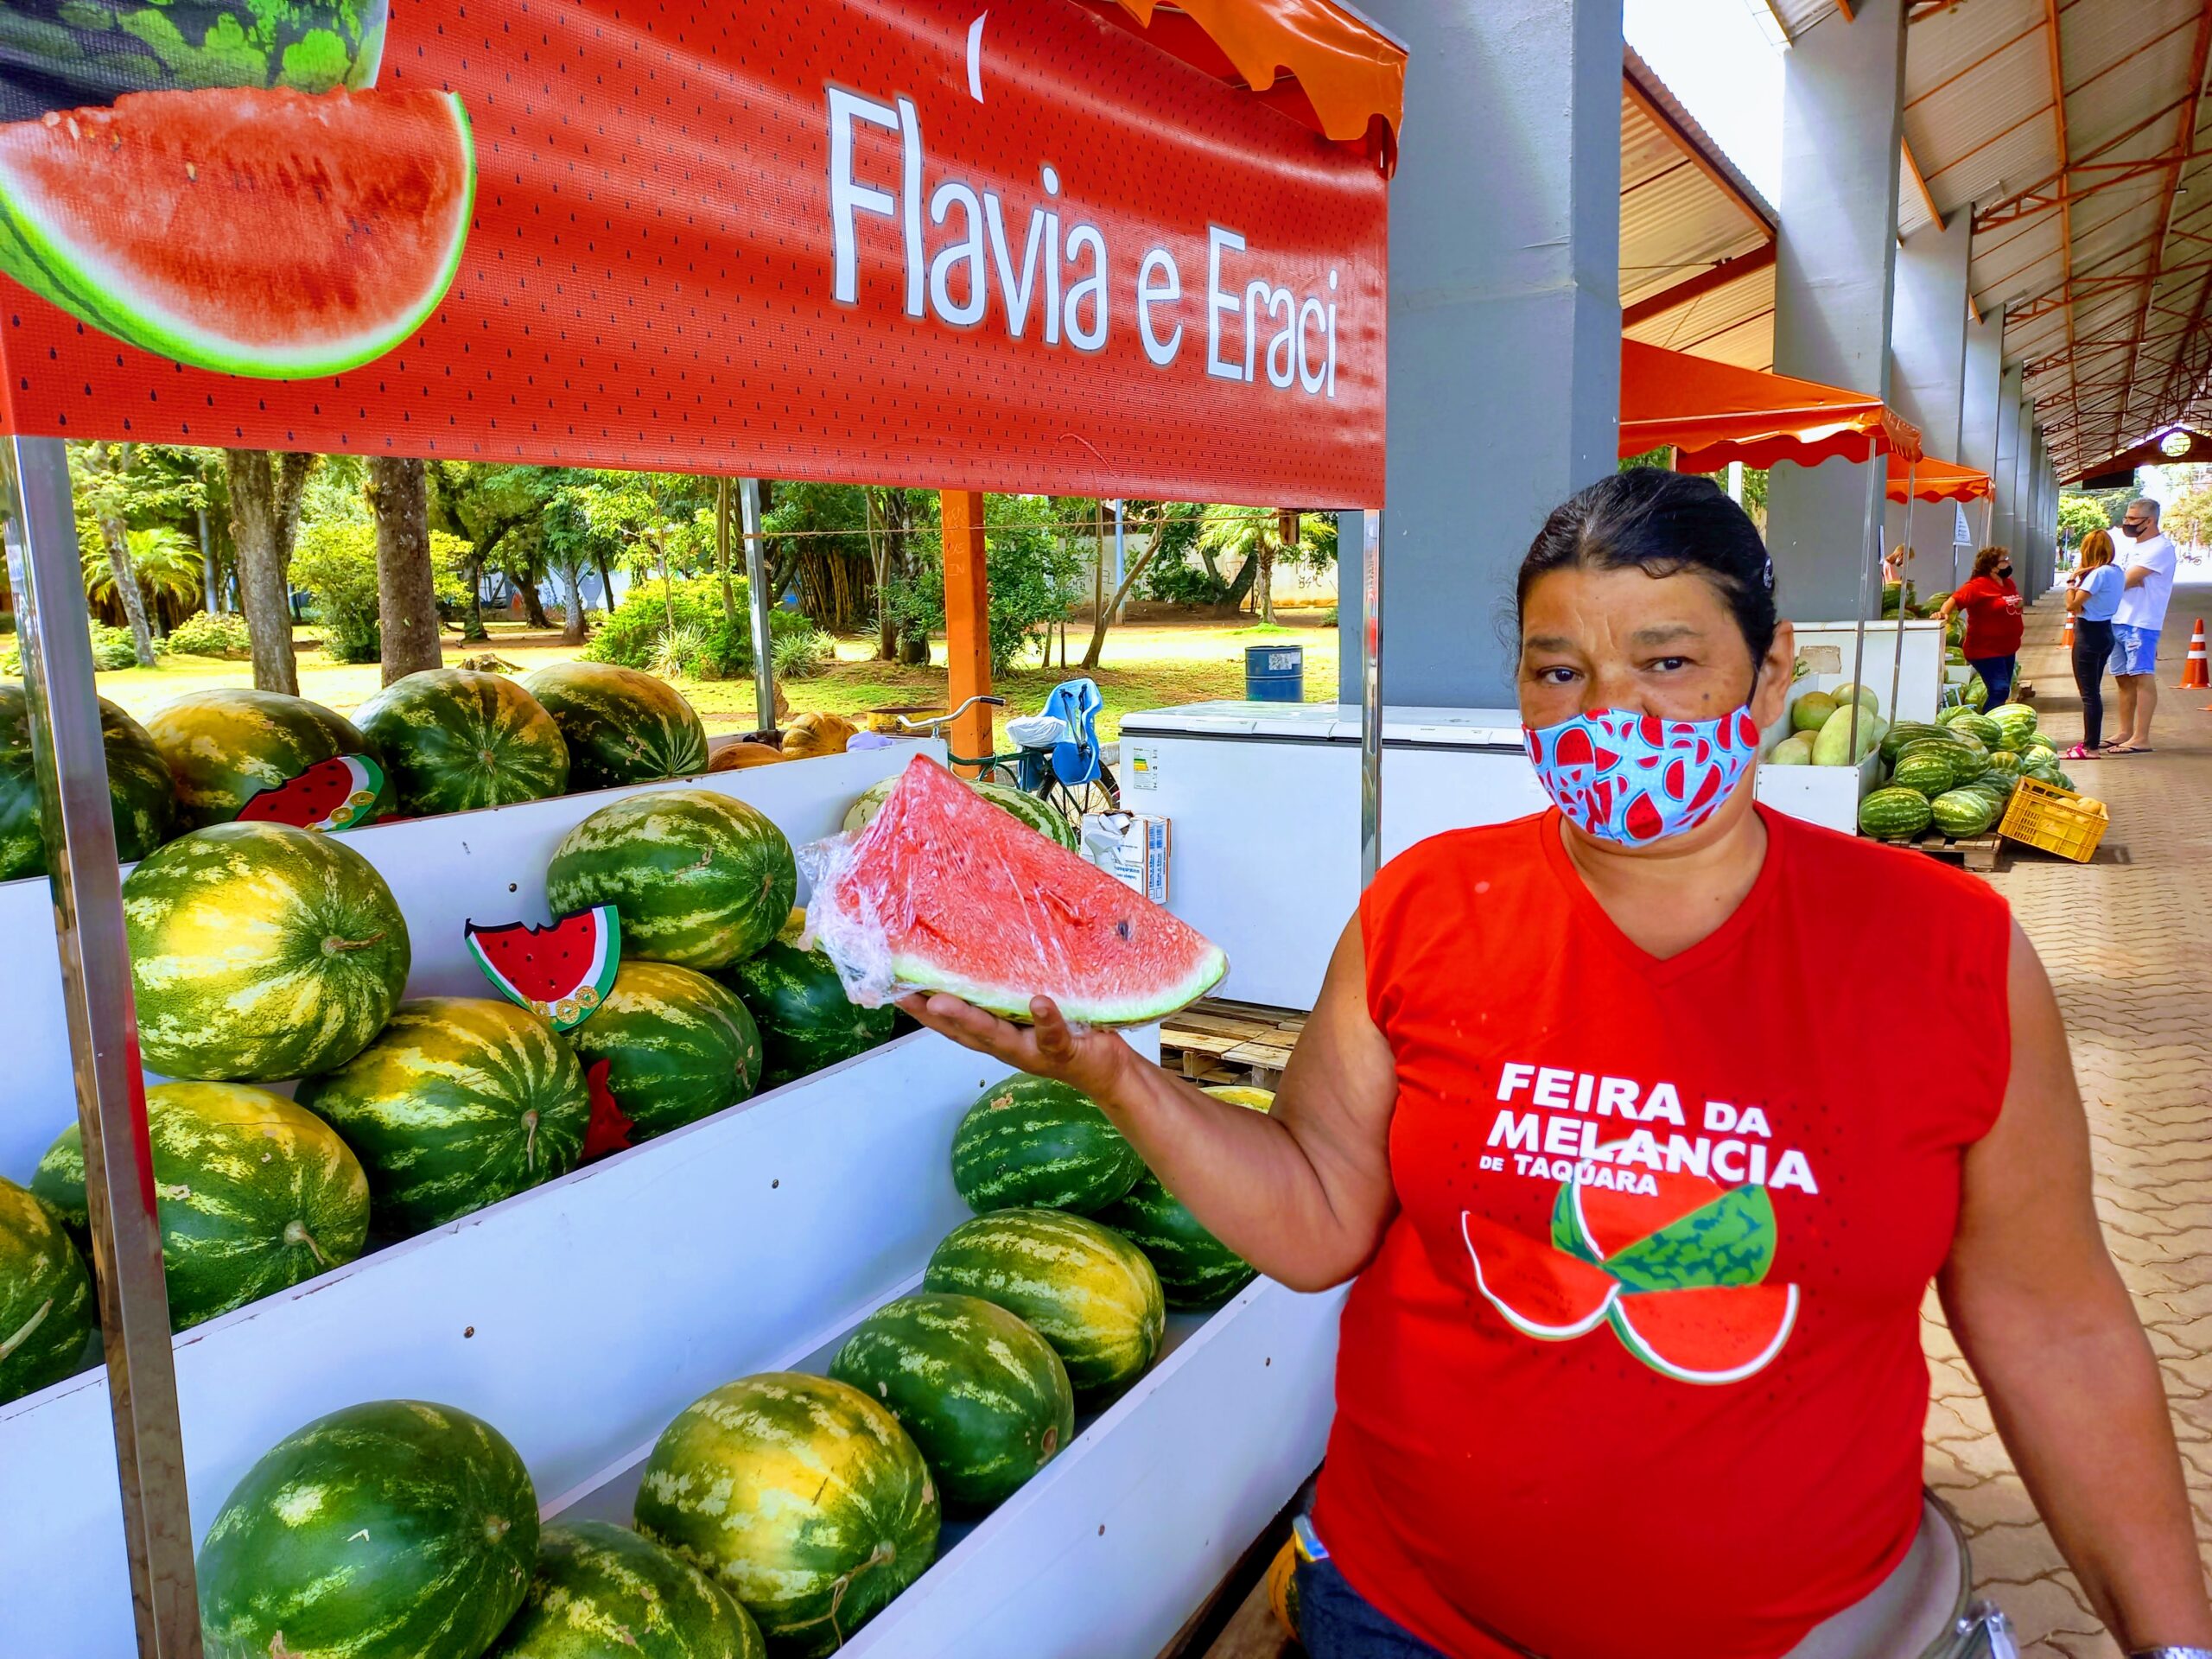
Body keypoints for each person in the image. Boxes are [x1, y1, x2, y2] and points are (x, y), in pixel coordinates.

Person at [906, 470, 2212, 1659]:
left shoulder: (1948, 953)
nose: (1610, 716)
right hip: (1404, 1615)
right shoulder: (1425, 908)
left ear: (1770, 679)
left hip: (1800, 1636)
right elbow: (1314, 1217)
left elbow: (2057, 1329)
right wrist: (1122, 1079)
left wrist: (2172, 1646)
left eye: (1667, 662)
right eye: (1559, 672)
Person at [2107, 496, 2178, 754]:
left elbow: (2123, 581)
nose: (2127, 523)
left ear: (2150, 521)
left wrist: (2118, 581)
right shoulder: (2131, 546)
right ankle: (2125, 732)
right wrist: (2119, 581)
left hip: (2141, 622)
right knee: (2123, 679)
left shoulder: (2160, 549)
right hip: (2118, 619)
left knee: (2141, 676)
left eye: (2132, 519)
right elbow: (2119, 579)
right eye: (2126, 517)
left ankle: (2141, 737)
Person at [1934, 546, 2024, 707]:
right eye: (2004, 561)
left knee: (2003, 690)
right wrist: (1943, 613)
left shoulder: (2008, 583)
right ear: (1992, 566)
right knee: (2000, 690)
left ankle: (1994, 717)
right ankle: (1988, 719)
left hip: (2008, 648)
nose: (2009, 563)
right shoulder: (1977, 586)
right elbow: (1954, 599)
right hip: (1986, 650)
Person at [2064, 529, 2123, 760]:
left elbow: (2072, 606)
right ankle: (2090, 742)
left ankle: (2090, 748)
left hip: (2089, 634)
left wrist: (2071, 584)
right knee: (2093, 692)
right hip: (2106, 632)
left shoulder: (2098, 574)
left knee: (2089, 695)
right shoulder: (2116, 571)